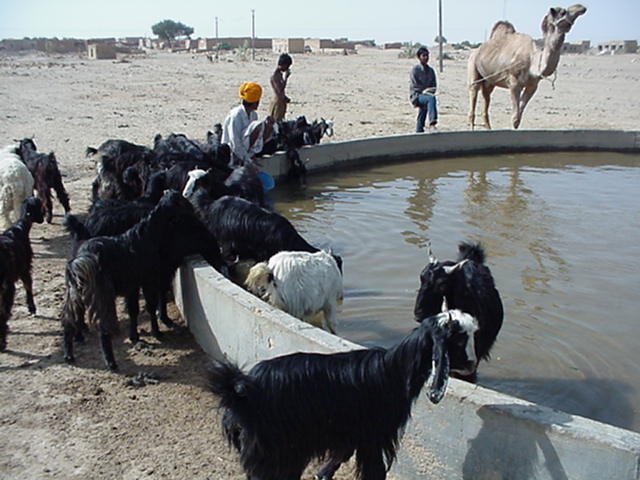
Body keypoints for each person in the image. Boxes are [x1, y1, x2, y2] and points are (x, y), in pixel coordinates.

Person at [222, 82, 274, 166]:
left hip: (247, 150)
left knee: (267, 126)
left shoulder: (253, 115)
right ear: (255, 103)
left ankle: (252, 155)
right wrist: (247, 161)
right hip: (232, 154)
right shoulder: (236, 115)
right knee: (257, 125)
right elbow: (235, 143)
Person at [409, 46, 438, 133]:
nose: (426, 57)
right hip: (417, 96)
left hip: (427, 95)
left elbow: (434, 86)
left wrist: (430, 91)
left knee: (423, 111)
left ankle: (419, 131)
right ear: (419, 57)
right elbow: (415, 85)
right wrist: (424, 92)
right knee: (431, 99)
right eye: (423, 55)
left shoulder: (431, 71)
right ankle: (432, 123)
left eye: (427, 55)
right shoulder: (415, 70)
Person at [269, 53, 293, 121]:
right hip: (277, 104)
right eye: (287, 66)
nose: (288, 68)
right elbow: (279, 90)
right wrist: (286, 78)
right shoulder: (274, 76)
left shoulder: (280, 74)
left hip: (281, 102)